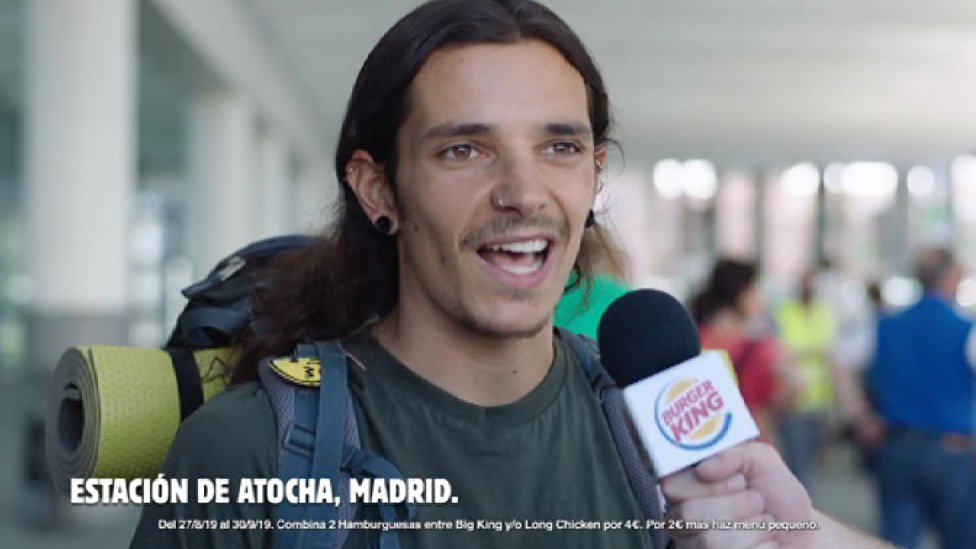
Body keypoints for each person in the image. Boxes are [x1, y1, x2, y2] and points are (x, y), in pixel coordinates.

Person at [130, 1, 892, 548]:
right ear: (379, 188)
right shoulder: (248, 453)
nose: (525, 193)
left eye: (560, 148)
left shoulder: (658, 443)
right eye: (465, 149)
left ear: (594, 176)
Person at [866, 248, 976, 549]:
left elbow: (843, 363)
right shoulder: (966, 330)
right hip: (953, 449)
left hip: (897, 446)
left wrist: (862, 417)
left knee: (897, 539)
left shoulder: (887, 325)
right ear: (951, 278)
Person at [691, 259, 785, 445]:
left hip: (707, 446)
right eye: (756, 290)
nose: (760, 298)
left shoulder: (694, 341)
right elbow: (777, 400)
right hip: (751, 448)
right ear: (741, 294)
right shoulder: (760, 348)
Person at [776, 271, 837, 493]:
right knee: (797, 460)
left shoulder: (825, 313)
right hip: (794, 399)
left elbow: (830, 352)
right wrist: (814, 352)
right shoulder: (786, 312)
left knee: (812, 458)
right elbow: (784, 351)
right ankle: (801, 507)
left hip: (820, 399)